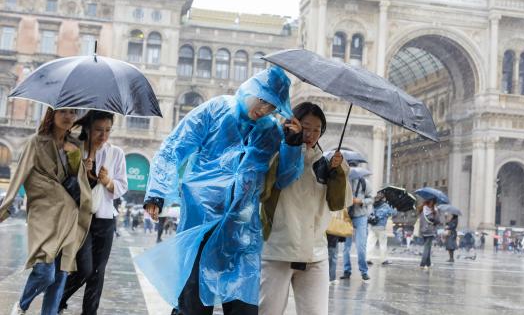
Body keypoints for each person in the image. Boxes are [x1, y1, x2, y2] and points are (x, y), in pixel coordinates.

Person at [139, 66, 303, 315]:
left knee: (243, 306)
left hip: (241, 232)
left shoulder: (269, 131)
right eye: (263, 101)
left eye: (272, 106)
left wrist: (292, 145)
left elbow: (283, 178)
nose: (264, 110)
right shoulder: (216, 109)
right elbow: (174, 147)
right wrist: (157, 192)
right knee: (192, 305)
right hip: (201, 222)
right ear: (252, 90)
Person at [259, 102, 352, 315]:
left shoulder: (327, 164)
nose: (310, 134)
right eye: (306, 127)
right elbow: (263, 192)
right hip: (277, 251)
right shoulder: (275, 154)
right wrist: (290, 148)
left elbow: (338, 203)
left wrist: (337, 173)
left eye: (317, 130)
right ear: (293, 124)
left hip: (315, 254)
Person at [0, 108, 92, 315]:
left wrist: (76, 157)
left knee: (60, 276)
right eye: (64, 112)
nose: (69, 117)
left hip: (68, 215)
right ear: (52, 114)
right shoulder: (36, 141)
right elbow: (20, 174)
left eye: (73, 113)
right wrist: (4, 210)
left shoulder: (75, 145)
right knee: (45, 273)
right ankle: (22, 305)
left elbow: (76, 180)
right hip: (44, 213)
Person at [58, 111, 128, 315]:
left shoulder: (116, 153)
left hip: (105, 220)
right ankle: (58, 298)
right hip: (81, 219)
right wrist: (82, 171)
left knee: (98, 273)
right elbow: (65, 185)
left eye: (107, 130)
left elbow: (122, 187)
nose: (103, 135)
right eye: (99, 130)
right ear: (88, 129)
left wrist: (107, 182)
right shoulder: (75, 151)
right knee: (84, 269)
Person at [340, 174, 373, 281]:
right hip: (347, 217)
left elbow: (371, 198)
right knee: (346, 247)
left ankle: (364, 271)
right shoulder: (343, 181)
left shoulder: (364, 182)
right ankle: (346, 271)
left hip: (361, 217)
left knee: (361, 247)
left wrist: (361, 201)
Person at [366, 192, 397, 266]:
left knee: (370, 243)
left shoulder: (374, 205)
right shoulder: (386, 206)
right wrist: (394, 207)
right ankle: (383, 260)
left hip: (373, 227)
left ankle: (368, 259)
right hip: (381, 227)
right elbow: (393, 213)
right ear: (383, 198)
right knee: (383, 244)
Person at [418, 199, 438, 270]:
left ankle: (428, 264)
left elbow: (420, 221)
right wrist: (435, 212)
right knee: (427, 247)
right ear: (431, 202)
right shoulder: (431, 211)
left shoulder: (422, 209)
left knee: (428, 247)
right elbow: (436, 220)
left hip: (423, 230)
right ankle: (422, 264)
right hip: (430, 231)